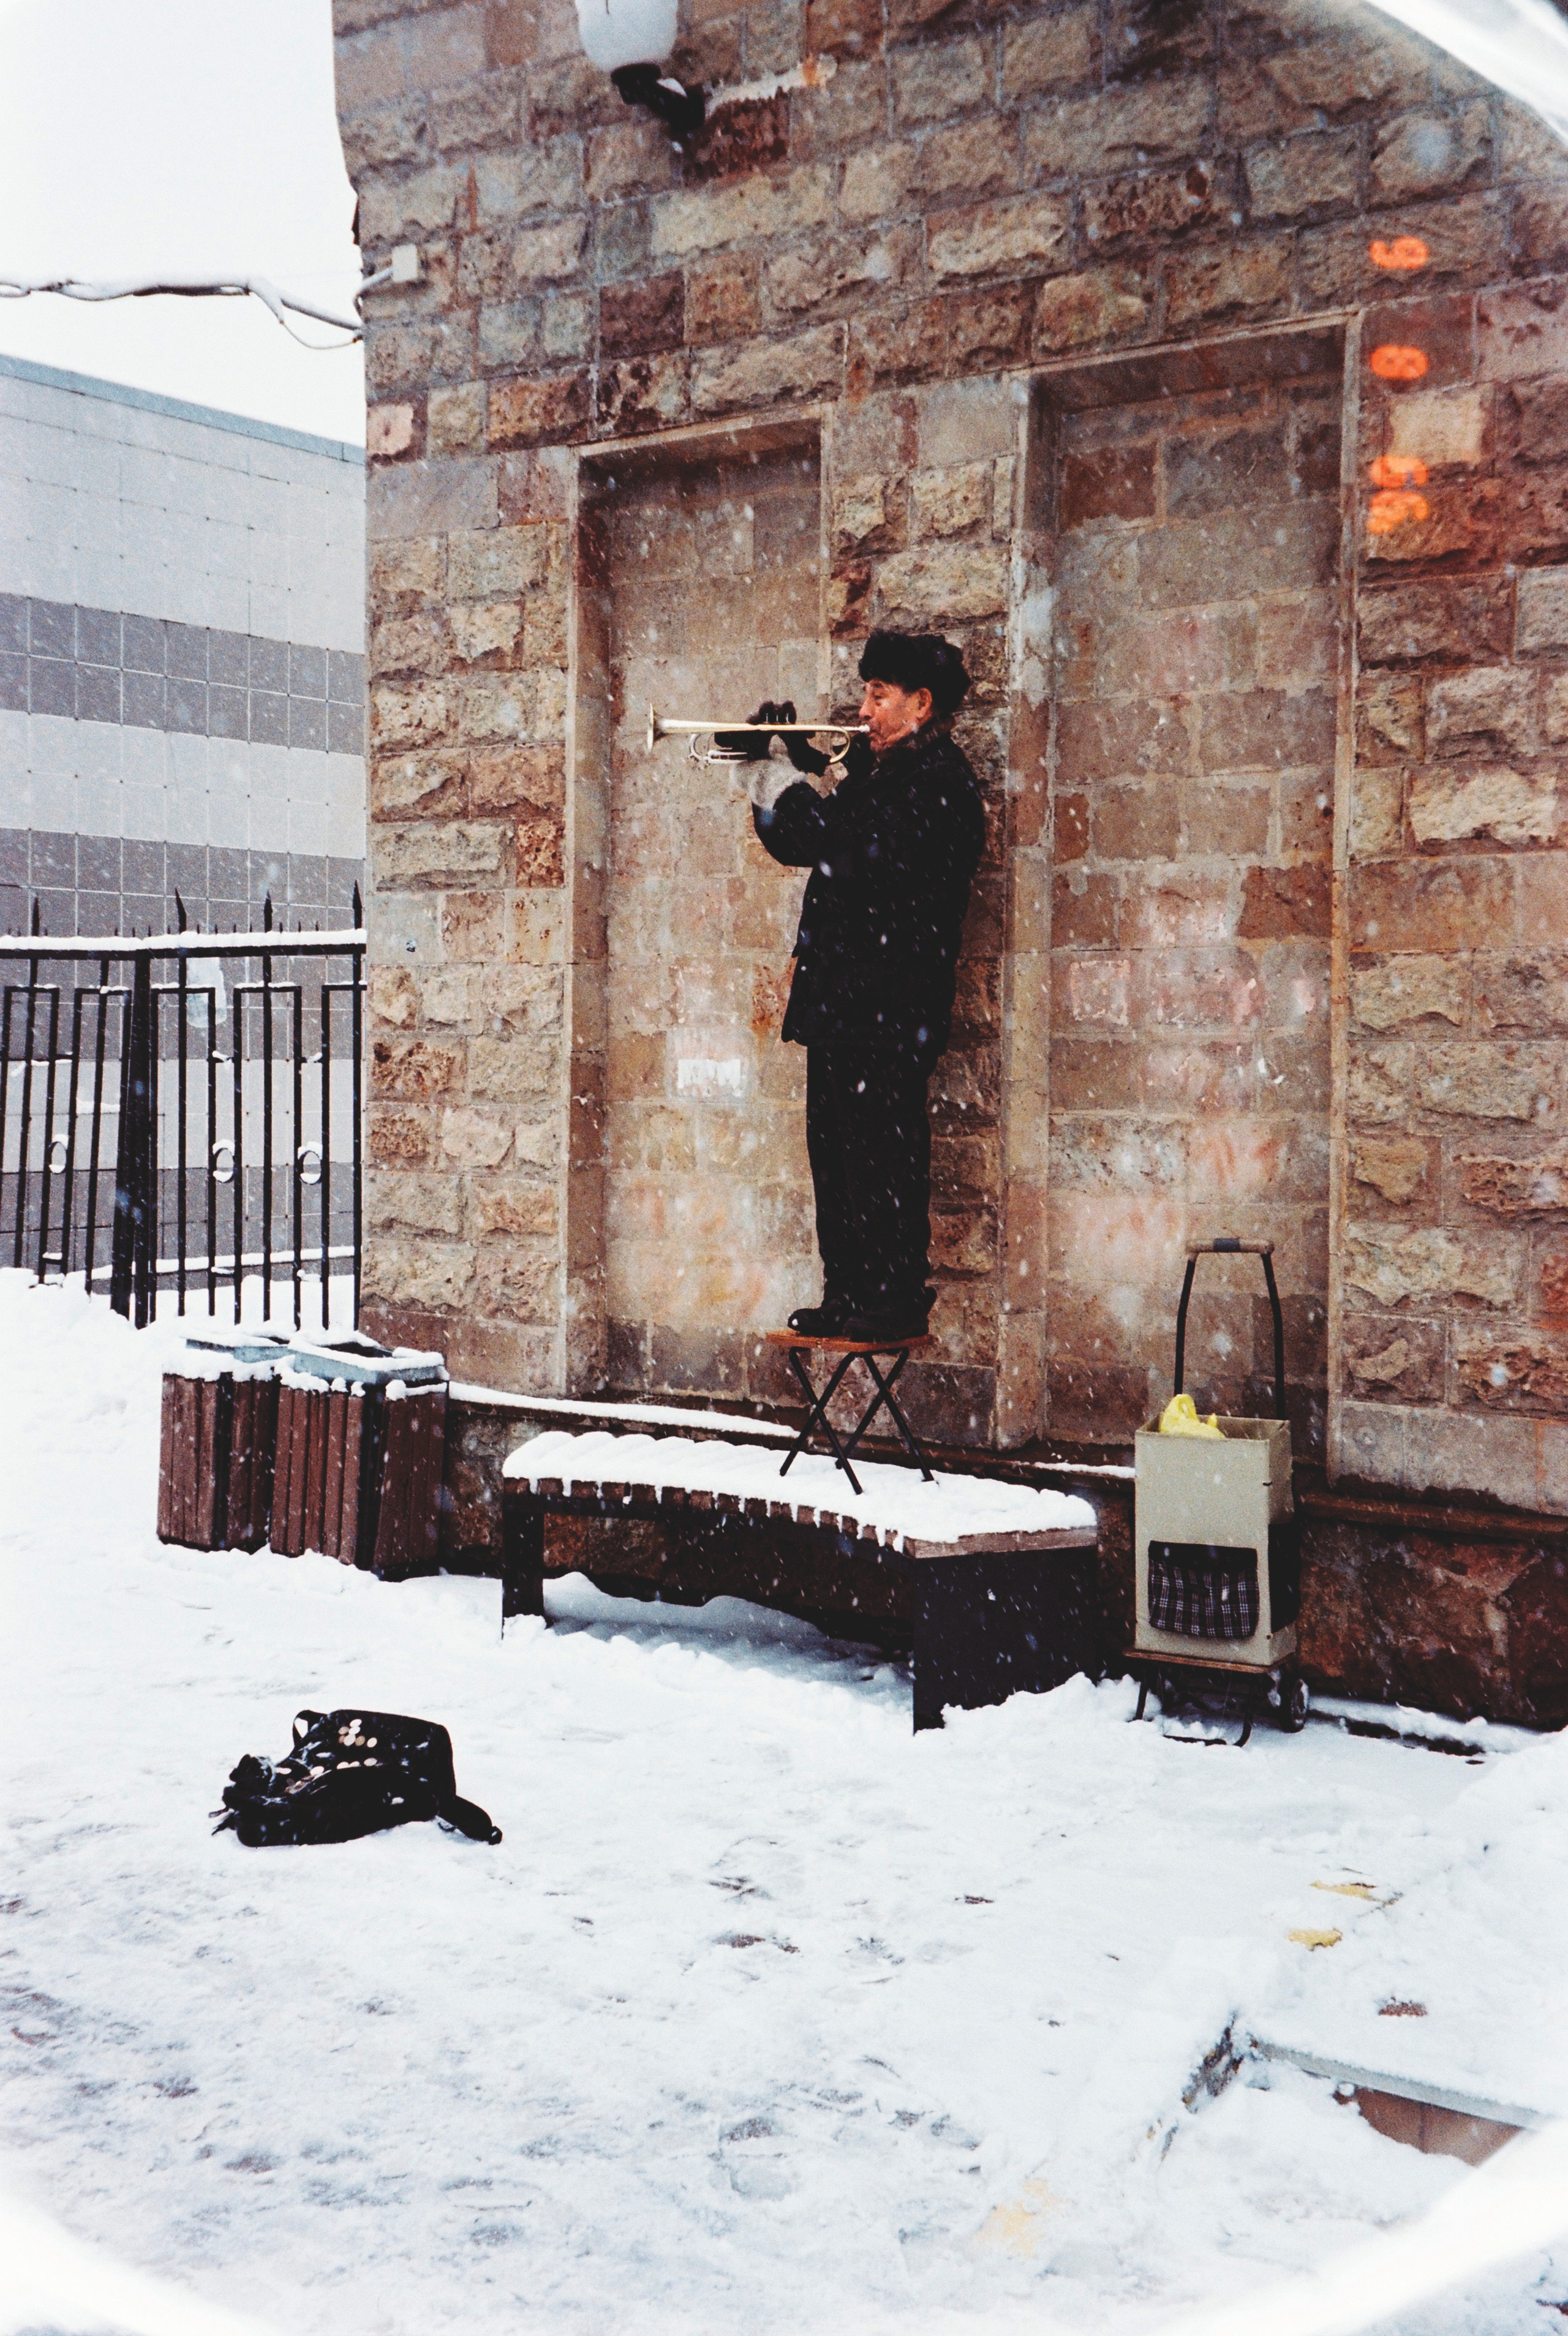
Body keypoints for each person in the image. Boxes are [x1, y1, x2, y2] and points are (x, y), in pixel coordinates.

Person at [726, 630, 985, 1346]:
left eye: (879, 695)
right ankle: (847, 1291)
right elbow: (796, 843)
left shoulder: (939, 784)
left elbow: (842, 850)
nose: (863, 709)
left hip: (888, 1010)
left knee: (882, 1161)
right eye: (865, 692)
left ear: (921, 704)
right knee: (836, 1162)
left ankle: (894, 1297)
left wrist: (785, 776)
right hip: (844, 1007)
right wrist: (770, 771)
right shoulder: (878, 776)